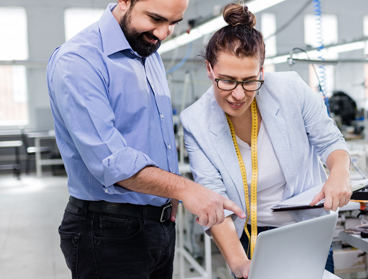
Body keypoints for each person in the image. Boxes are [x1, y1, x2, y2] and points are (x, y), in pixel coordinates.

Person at [46, 0, 246, 278]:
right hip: (108, 231)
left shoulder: (149, 51)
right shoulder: (79, 60)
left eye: (173, 23)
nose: (163, 33)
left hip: (158, 226)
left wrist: (169, 197)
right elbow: (111, 162)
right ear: (125, 1)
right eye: (155, 18)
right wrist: (186, 190)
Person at [180, 3, 352, 278]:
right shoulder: (195, 122)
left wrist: (340, 173)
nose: (238, 94)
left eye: (249, 81)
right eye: (227, 81)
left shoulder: (290, 89)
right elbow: (214, 201)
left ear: (262, 72)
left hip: (305, 231)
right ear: (210, 69)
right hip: (246, 241)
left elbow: (331, 141)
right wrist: (238, 262)